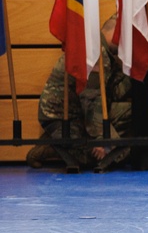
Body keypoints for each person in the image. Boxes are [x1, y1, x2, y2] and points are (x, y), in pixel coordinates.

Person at [31, 14, 131, 173]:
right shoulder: (95, 54)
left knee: (132, 111)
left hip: (80, 112)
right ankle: (50, 149)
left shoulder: (105, 52)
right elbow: (91, 101)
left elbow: (114, 93)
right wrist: (102, 139)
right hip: (61, 117)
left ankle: (64, 145)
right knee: (118, 153)